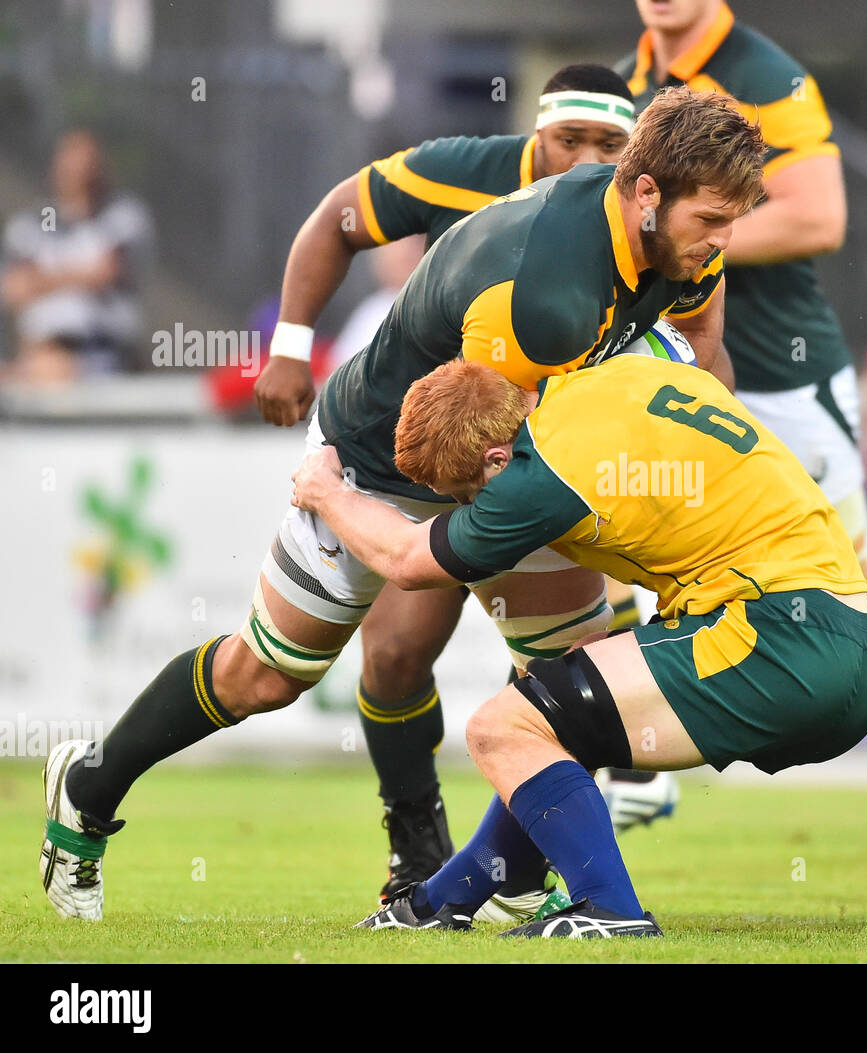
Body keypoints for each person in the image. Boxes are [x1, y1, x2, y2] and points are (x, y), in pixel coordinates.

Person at [39, 87, 763, 924]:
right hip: (386, 454)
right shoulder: (546, 297)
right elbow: (485, 462)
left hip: (514, 439)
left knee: (582, 677)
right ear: (646, 195)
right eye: (711, 218)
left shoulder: (684, 239)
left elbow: (702, 356)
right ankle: (85, 790)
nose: (723, 240)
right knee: (269, 673)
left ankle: (509, 876)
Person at [290, 352, 867, 937]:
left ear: (497, 458)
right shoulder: (616, 375)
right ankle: (442, 902)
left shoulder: (542, 470)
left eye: (467, 493)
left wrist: (329, 495)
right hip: (840, 631)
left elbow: (407, 561)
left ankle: (610, 910)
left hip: (775, 634)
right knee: (566, 709)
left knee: (500, 729)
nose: (473, 507)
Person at [252, 64, 642, 911]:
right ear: (536, 133)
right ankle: (416, 850)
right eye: (567, 137)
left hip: (544, 467)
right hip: (434, 464)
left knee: (573, 673)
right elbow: (335, 220)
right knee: (391, 655)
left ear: (630, 156)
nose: (582, 158)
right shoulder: (461, 169)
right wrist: (289, 342)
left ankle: (530, 869)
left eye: (606, 144)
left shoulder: (643, 220)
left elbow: (695, 342)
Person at [615, 0, 867, 884]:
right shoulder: (638, 69)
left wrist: (680, 238)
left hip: (782, 375)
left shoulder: (764, 73)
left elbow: (820, 218)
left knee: (843, 582)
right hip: (686, 364)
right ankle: (634, 765)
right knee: (626, 527)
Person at [1, 129, 153, 381]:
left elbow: (107, 271)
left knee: (51, 370)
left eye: (89, 165)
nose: (82, 173)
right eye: (72, 165)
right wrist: (81, 274)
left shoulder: (124, 215)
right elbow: (15, 288)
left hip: (104, 357)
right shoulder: (28, 225)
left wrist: (41, 279)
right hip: (41, 354)